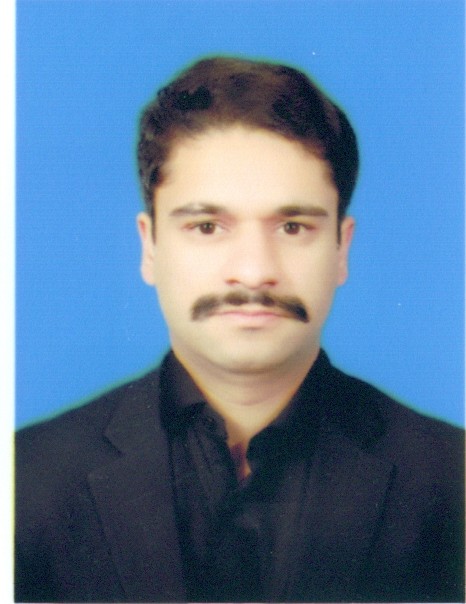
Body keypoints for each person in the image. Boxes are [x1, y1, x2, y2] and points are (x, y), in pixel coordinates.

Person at [15, 56, 464, 603]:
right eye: (207, 226)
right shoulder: (23, 483)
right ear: (150, 245)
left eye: (293, 226)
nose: (253, 271)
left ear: (341, 248)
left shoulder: (451, 480)